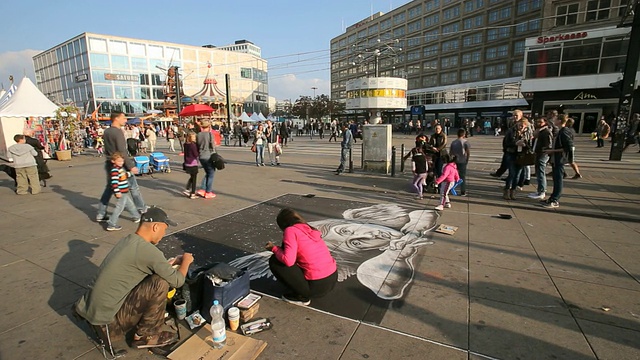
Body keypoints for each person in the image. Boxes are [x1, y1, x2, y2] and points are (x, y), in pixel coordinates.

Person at [75, 207, 192, 349]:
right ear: (156, 227)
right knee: (160, 283)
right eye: (164, 229)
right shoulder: (148, 251)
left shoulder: (128, 240)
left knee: (155, 277)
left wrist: (170, 263)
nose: (164, 234)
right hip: (110, 325)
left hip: (94, 316)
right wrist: (186, 260)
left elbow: (145, 265)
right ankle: (144, 336)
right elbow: (178, 281)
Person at [265, 208, 338, 306]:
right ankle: (301, 288)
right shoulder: (310, 229)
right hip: (332, 279)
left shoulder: (290, 230)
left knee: (275, 261)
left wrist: (274, 248)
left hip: (315, 287)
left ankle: (301, 296)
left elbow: (288, 261)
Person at [97, 112, 147, 223]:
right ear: (117, 118)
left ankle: (101, 213)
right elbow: (122, 151)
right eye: (123, 118)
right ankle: (142, 209)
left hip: (110, 162)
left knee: (110, 188)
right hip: (121, 164)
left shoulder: (107, 131)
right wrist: (131, 166)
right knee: (133, 188)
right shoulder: (117, 132)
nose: (125, 120)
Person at [542, 115, 573, 209]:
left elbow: (568, 147)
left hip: (559, 159)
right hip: (556, 159)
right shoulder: (561, 131)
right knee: (556, 179)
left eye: (555, 120)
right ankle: (552, 198)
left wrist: (552, 151)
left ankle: (555, 200)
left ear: (559, 121)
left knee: (558, 179)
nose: (553, 121)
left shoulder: (564, 131)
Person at [106, 152, 141, 231]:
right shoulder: (115, 170)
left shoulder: (120, 169)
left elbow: (124, 176)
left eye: (122, 161)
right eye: (119, 161)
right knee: (119, 208)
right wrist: (117, 192)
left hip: (124, 191)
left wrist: (131, 173)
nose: (121, 163)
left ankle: (136, 217)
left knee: (130, 205)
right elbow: (114, 182)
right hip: (121, 192)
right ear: (113, 161)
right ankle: (112, 224)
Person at [503, 120, 530, 200]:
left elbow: (531, 144)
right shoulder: (511, 131)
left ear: (526, 126)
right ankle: (507, 190)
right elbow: (506, 143)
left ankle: (513, 190)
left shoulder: (527, 133)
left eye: (523, 126)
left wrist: (525, 145)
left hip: (522, 155)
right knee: (512, 173)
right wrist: (515, 143)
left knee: (517, 175)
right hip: (511, 154)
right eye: (519, 125)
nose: (521, 127)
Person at [527, 117, 553, 200]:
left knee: (541, 172)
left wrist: (544, 151)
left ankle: (542, 191)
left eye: (540, 122)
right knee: (538, 172)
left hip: (542, 154)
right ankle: (539, 190)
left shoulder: (546, 131)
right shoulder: (540, 131)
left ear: (545, 122)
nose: (538, 123)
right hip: (538, 153)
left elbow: (549, 144)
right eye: (537, 121)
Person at [196, 121, 217, 199]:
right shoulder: (210, 134)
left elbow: (197, 145)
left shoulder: (198, 135)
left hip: (201, 155)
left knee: (207, 172)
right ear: (209, 126)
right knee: (211, 173)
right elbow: (213, 146)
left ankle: (202, 189)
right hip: (208, 155)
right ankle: (208, 192)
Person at [449, 128, 470, 196]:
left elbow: (450, 152)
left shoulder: (453, 142)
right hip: (462, 160)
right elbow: (468, 152)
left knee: (452, 176)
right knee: (462, 176)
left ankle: (450, 188)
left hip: (454, 161)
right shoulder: (465, 142)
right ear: (464, 134)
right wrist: (467, 160)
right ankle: (463, 191)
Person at [182, 132, 199, 199]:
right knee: (194, 178)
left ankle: (187, 189)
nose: (195, 138)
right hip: (193, 162)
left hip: (187, 162)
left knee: (192, 177)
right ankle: (193, 193)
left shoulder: (186, 144)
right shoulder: (193, 145)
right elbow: (196, 154)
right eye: (194, 137)